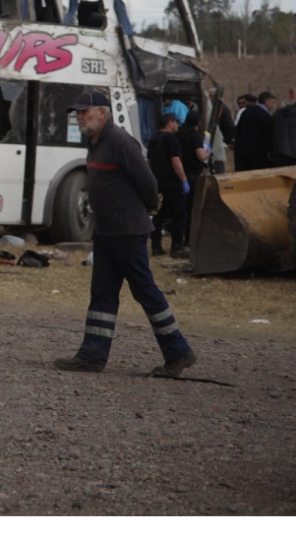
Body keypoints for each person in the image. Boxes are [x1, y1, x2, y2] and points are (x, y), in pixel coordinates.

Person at [54, 91, 197, 377]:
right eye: (78, 113)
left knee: (144, 290)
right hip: (106, 232)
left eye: (86, 111)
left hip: (128, 231)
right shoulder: (94, 142)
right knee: (103, 294)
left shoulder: (120, 141)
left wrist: (141, 211)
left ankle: (178, 352)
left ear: (103, 113)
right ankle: (91, 356)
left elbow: (148, 182)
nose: (80, 116)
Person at [146, 113, 187, 258]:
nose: (177, 125)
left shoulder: (153, 139)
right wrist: (183, 180)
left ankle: (156, 246)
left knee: (159, 214)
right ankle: (177, 246)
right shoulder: (171, 138)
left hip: (157, 180)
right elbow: (175, 160)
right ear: (170, 123)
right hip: (172, 180)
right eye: (176, 122)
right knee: (179, 213)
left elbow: (149, 161)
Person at [177, 111, 209, 245]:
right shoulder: (195, 136)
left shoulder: (179, 135)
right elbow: (201, 156)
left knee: (181, 209)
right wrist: (209, 152)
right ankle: (190, 239)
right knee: (193, 208)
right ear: (198, 123)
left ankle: (179, 239)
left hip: (180, 174)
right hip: (193, 176)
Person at [233, 91, 275, 172]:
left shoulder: (246, 112)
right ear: (267, 102)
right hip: (259, 156)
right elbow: (269, 137)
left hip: (243, 154)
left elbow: (238, 132)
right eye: (272, 103)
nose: (273, 106)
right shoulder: (266, 116)